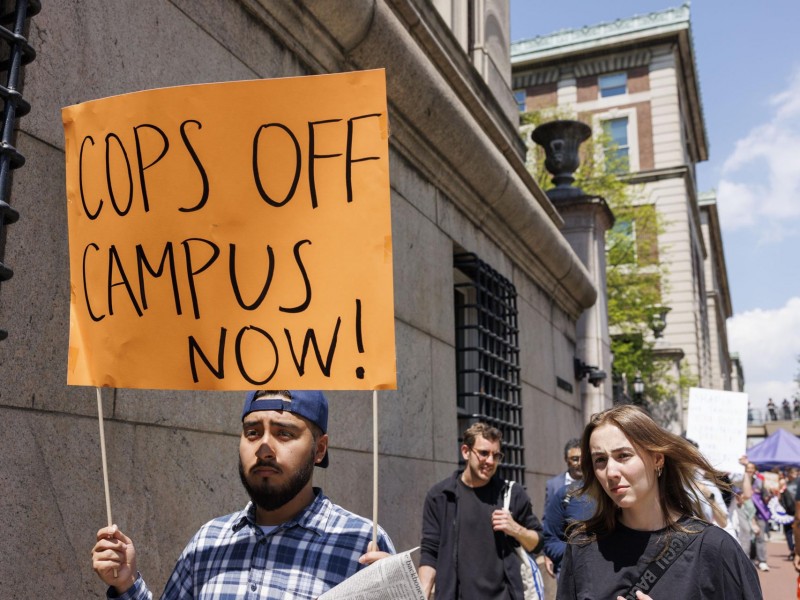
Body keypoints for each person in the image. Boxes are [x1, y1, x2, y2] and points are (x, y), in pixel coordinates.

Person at [91, 390, 394, 599]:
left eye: (284, 433)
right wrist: (125, 584)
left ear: (320, 450)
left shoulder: (362, 544)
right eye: (252, 432)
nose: (263, 446)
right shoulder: (209, 541)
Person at [557, 405, 762, 600]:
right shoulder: (582, 547)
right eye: (600, 460)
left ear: (657, 459)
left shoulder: (714, 548)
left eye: (624, 456)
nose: (611, 472)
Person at [419, 422, 543, 600]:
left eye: (496, 455)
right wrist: (423, 593)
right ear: (465, 451)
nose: (490, 461)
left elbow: (537, 543)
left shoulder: (511, 494)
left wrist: (516, 529)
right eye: (484, 453)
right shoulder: (441, 497)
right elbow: (430, 552)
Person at [542, 440, 595, 577]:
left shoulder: (597, 488)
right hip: (565, 558)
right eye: (574, 459)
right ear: (566, 460)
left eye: (582, 458)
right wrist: (548, 554)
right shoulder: (555, 486)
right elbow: (549, 523)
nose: (579, 463)